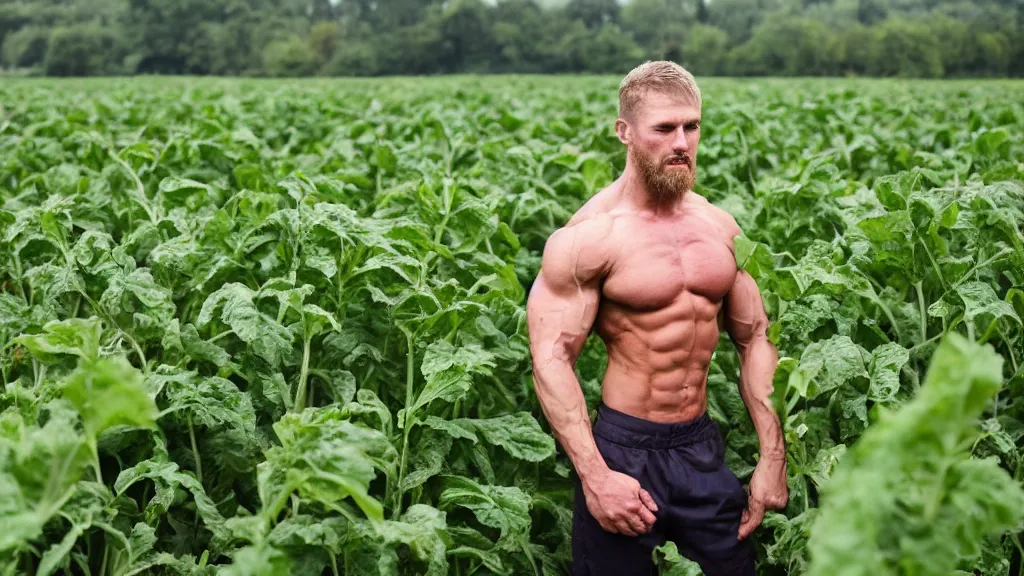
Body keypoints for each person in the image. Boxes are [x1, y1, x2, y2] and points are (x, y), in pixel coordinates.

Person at [525, 61, 789, 576]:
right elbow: (551, 358)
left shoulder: (718, 226)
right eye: (664, 128)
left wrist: (772, 457)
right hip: (625, 451)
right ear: (624, 132)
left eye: (691, 127)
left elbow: (755, 337)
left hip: (701, 448)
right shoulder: (590, 237)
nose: (682, 143)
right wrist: (596, 477)